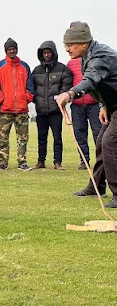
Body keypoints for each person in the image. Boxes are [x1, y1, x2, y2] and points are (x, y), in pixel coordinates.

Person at [57, 21, 117, 208]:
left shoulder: (100, 56)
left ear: (84, 43)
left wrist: (70, 94)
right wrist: (103, 105)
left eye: (70, 44)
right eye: (66, 44)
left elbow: (91, 80)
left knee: (109, 142)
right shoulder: (87, 55)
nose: (67, 48)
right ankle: (96, 187)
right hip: (112, 104)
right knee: (101, 142)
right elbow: (104, 84)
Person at [0, 38, 34, 170]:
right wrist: (2, 100)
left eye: (14, 49)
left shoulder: (24, 66)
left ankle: (22, 162)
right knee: (3, 138)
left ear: (17, 49)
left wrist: (26, 98)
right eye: (9, 49)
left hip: (21, 109)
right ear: (6, 50)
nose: (12, 51)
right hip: (5, 110)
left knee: (23, 139)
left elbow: (30, 86)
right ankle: (3, 162)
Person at [32, 41, 73, 170]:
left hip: (56, 110)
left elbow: (66, 87)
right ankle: (41, 161)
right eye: (44, 53)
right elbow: (31, 88)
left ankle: (57, 162)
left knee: (57, 137)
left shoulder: (63, 69)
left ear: (53, 53)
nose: (46, 55)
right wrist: (36, 100)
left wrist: (61, 100)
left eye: (48, 52)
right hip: (41, 110)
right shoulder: (36, 70)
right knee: (41, 137)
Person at [67, 58, 102, 170]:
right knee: (79, 134)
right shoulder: (70, 64)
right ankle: (84, 160)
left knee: (98, 133)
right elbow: (67, 82)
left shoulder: (94, 60)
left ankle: (101, 160)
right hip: (77, 105)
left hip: (94, 103)